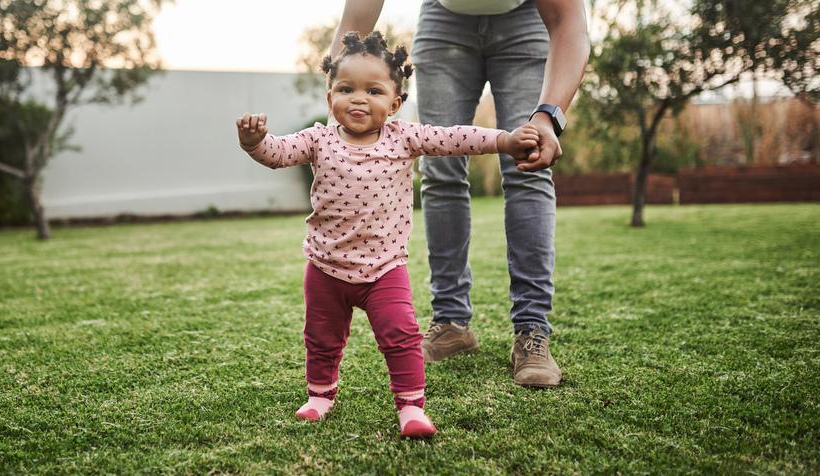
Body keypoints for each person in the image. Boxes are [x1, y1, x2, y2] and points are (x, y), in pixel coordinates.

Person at [236, 32, 540, 438]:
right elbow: (277, 153)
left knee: (401, 336)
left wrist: (504, 140)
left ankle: (412, 407)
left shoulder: (404, 137)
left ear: (395, 104)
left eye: (373, 90)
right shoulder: (318, 139)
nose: (358, 98)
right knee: (321, 338)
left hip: (384, 270)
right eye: (346, 89)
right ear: (330, 99)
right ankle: (320, 395)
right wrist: (254, 143)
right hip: (326, 268)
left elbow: (456, 137)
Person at [330, 0, 589, 388]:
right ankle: (451, 323)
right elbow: (355, 20)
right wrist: (336, 93)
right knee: (440, 169)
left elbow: (569, 21)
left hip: (526, 20)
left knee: (529, 163)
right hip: (444, 21)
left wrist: (549, 116)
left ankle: (532, 330)